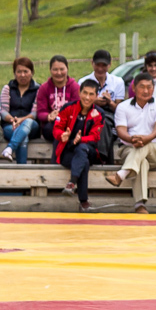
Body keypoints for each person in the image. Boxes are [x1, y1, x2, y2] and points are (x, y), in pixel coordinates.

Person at [105, 73, 156, 215]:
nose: (146, 91)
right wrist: (131, 139)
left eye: (149, 87)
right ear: (134, 88)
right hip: (129, 148)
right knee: (141, 162)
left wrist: (147, 138)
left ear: (154, 88)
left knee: (144, 146)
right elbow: (121, 130)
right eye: (142, 87)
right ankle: (140, 206)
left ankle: (121, 175)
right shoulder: (123, 107)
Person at [54, 79, 103, 213]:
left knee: (83, 150)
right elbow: (56, 128)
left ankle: (72, 183)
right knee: (84, 162)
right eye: (85, 93)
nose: (87, 97)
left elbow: (95, 137)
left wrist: (82, 139)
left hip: (90, 150)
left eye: (91, 94)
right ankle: (83, 201)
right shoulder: (67, 108)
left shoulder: (99, 113)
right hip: (68, 152)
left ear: (96, 96)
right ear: (79, 92)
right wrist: (62, 135)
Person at [0, 57, 41, 163]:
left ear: (32, 72)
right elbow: (3, 110)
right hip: (10, 125)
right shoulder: (7, 88)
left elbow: (35, 113)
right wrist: (12, 120)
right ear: (14, 73)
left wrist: (21, 120)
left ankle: (10, 148)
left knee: (28, 122)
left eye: (26, 71)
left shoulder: (38, 89)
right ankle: (22, 170)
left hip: (32, 126)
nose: (22, 75)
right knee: (23, 137)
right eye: (19, 72)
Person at [36, 56, 80, 142]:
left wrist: (63, 115)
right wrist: (49, 116)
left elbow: (78, 108)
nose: (59, 73)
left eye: (62, 69)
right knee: (52, 130)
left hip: (70, 122)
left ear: (67, 69)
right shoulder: (44, 88)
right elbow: (40, 112)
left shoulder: (75, 87)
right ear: (50, 70)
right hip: (52, 124)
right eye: (55, 69)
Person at [79, 49, 125, 119]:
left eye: (104, 65)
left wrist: (110, 102)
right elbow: (79, 107)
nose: (100, 69)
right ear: (92, 63)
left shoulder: (118, 82)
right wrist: (93, 102)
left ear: (109, 65)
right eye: (97, 65)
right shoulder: (83, 82)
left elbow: (120, 111)